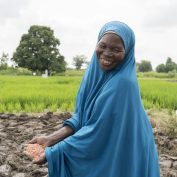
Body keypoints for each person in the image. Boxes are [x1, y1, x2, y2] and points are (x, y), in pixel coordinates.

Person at [28, 21, 160, 177]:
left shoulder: (123, 83)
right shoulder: (94, 75)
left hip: (127, 148)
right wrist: (51, 138)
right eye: (103, 46)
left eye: (116, 49)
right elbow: (82, 117)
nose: (107, 53)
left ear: (127, 52)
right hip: (112, 143)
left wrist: (54, 152)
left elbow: (96, 131)